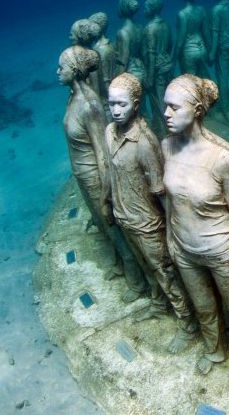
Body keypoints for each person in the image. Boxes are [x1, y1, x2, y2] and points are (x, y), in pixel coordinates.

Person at [162, 74, 229, 386]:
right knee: (205, 308)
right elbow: (171, 199)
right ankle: (215, 350)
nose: (166, 114)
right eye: (165, 107)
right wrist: (171, 239)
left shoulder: (223, 157)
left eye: (174, 107)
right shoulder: (166, 147)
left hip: (222, 252)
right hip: (185, 249)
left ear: (197, 110)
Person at [105, 73, 196, 352]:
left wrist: (172, 230)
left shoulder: (144, 142)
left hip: (148, 223)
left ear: (136, 103)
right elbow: (111, 173)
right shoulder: (109, 132)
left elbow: (160, 190)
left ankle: (188, 323)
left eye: (122, 104)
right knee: (148, 269)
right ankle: (158, 304)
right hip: (124, 216)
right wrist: (108, 204)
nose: (116, 110)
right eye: (111, 104)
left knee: (166, 273)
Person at [59, 45, 147, 302]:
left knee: (113, 226)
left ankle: (137, 279)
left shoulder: (89, 105)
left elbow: (102, 154)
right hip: (83, 175)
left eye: (61, 67)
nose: (57, 72)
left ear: (74, 70)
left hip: (96, 177)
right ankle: (120, 264)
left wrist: (107, 193)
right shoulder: (72, 97)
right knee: (102, 225)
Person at [141, 0, 172, 133]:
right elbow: (170, 45)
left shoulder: (149, 29)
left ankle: (168, 132)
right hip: (167, 65)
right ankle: (160, 127)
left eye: (146, 7)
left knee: (160, 103)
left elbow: (151, 54)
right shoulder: (165, 24)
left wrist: (150, 77)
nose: (144, 10)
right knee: (169, 100)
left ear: (153, 9)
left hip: (157, 70)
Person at [175, 0, 210, 77]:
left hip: (189, 52)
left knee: (191, 84)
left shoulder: (182, 14)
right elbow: (206, 33)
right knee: (203, 80)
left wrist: (175, 57)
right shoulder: (201, 10)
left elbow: (181, 40)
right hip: (202, 49)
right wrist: (210, 51)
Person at [114, 0, 145, 81]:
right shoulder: (140, 28)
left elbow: (124, 58)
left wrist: (117, 80)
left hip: (129, 72)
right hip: (141, 69)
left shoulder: (123, 32)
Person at [89, 12, 118, 102]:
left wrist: (112, 99)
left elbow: (106, 79)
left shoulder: (100, 50)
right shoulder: (110, 44)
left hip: (105, 96)